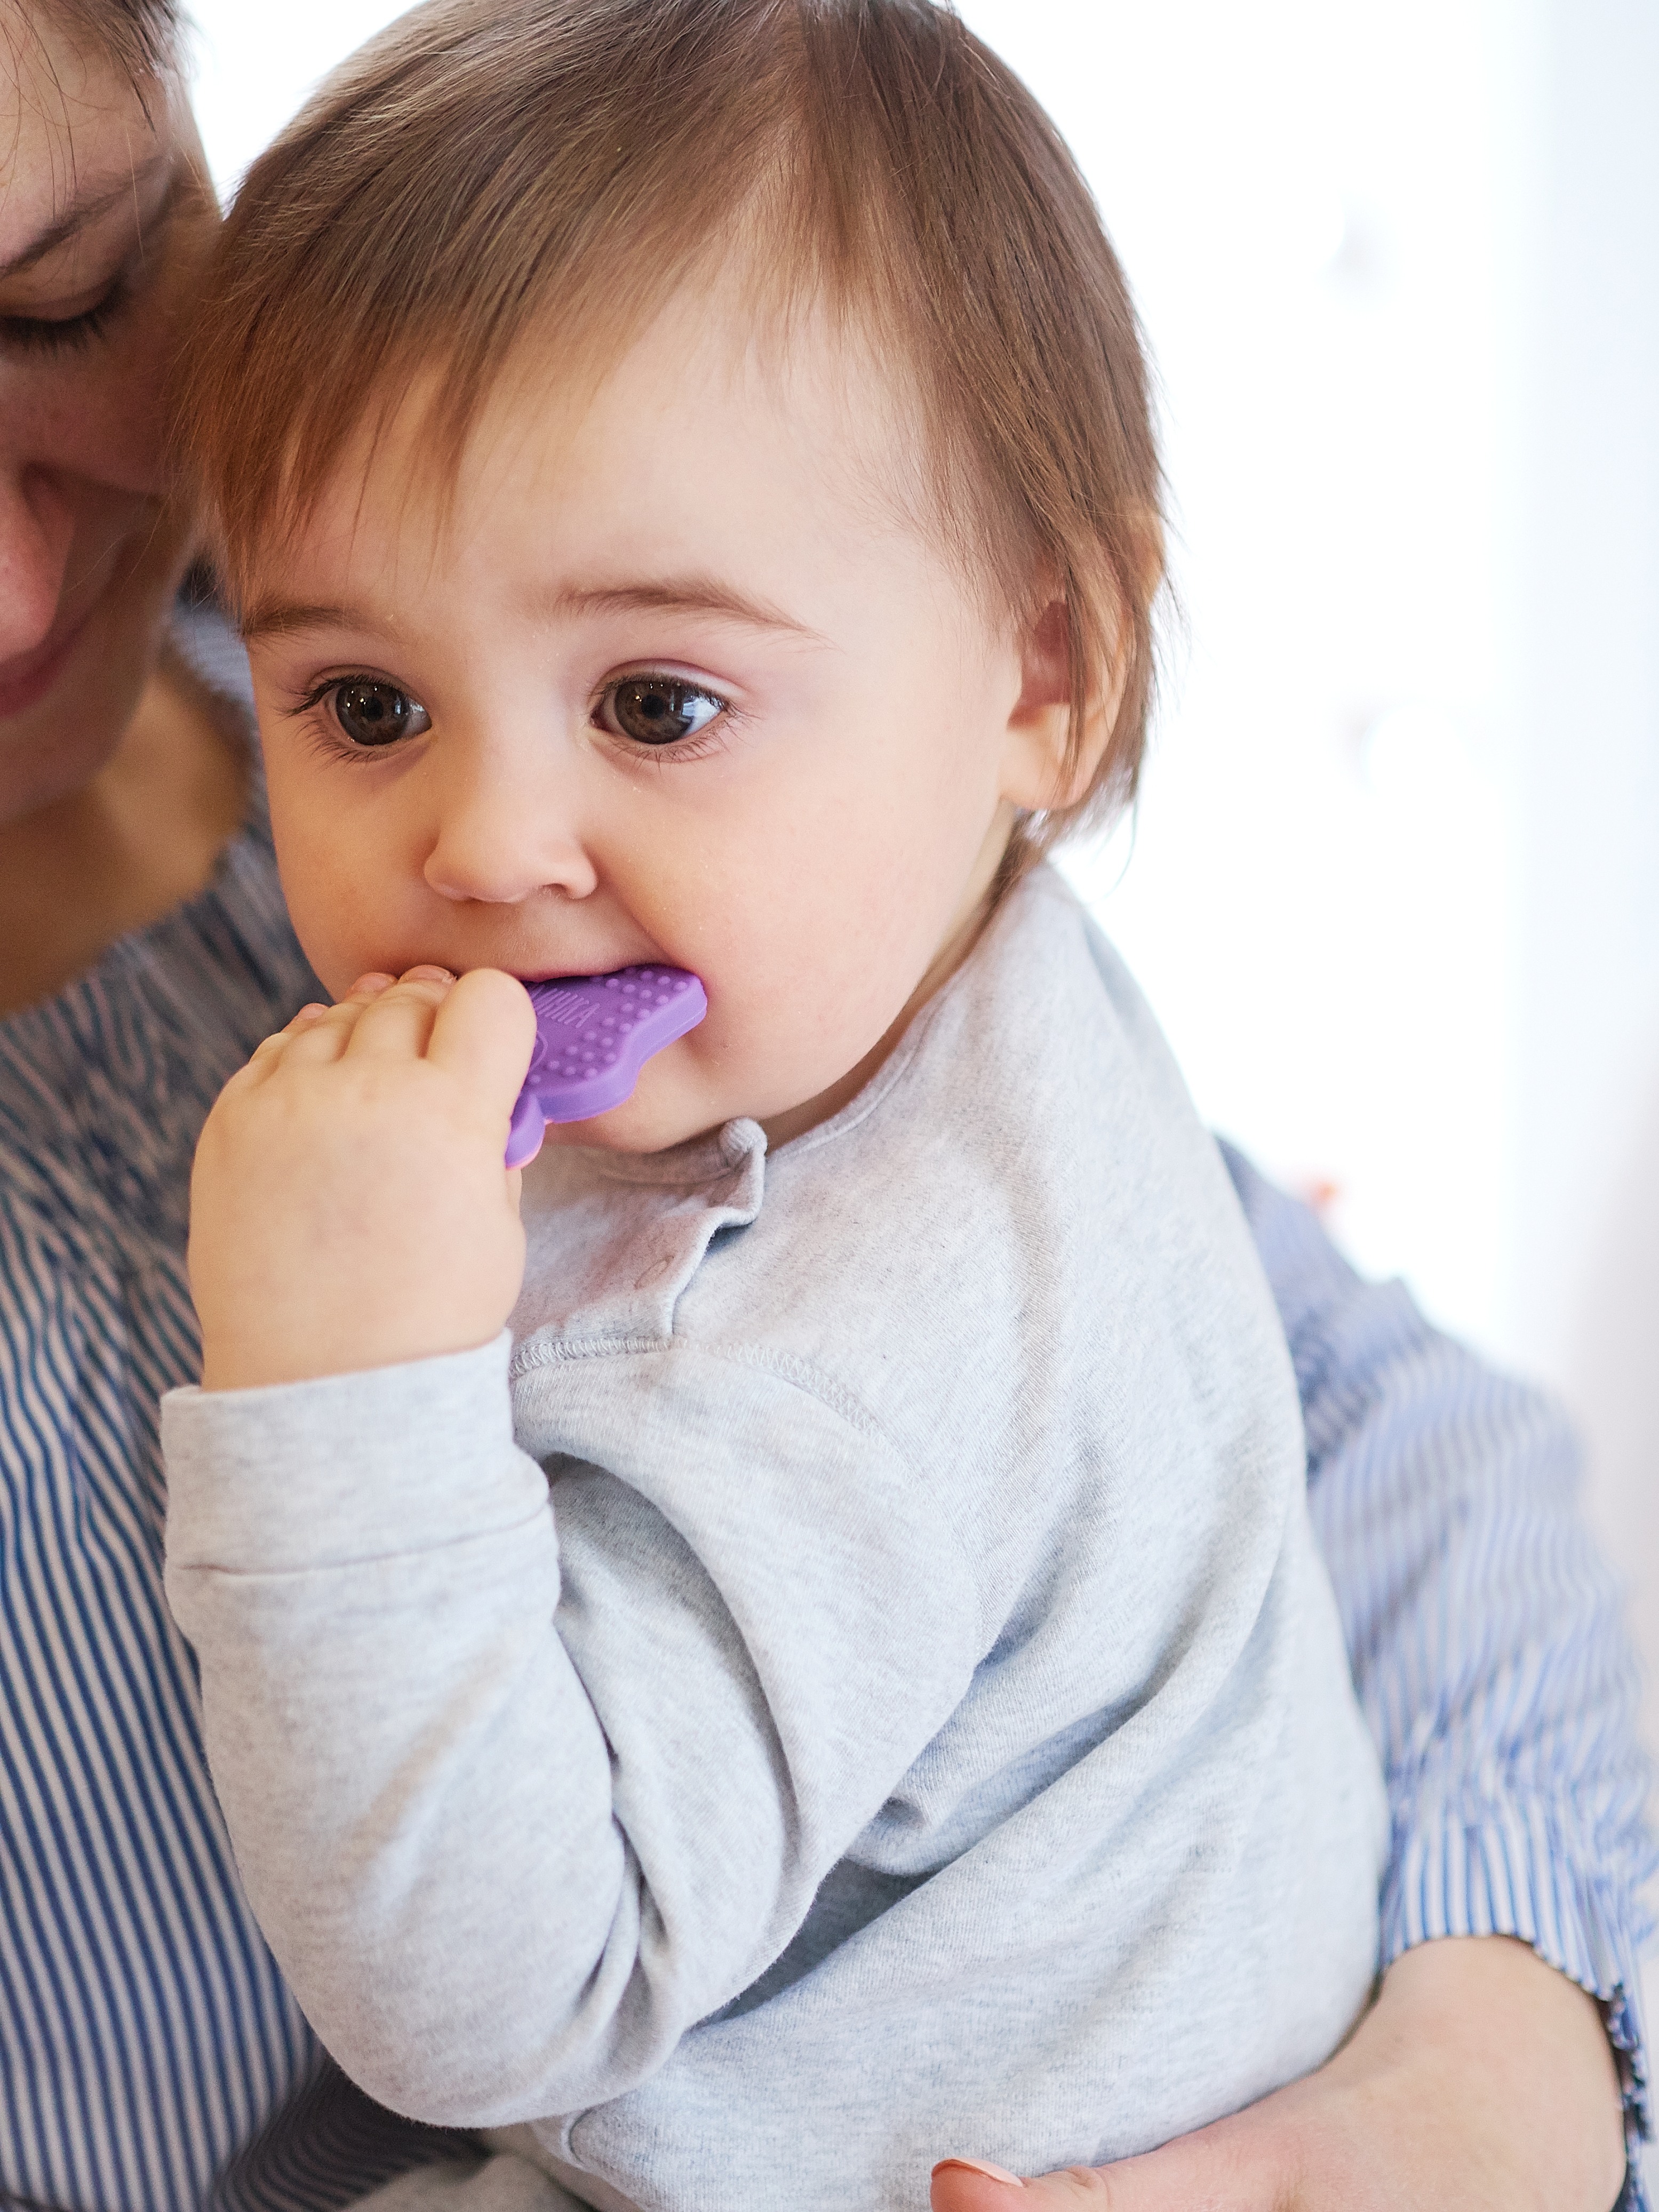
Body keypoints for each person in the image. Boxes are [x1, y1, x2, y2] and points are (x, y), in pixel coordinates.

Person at [0, 2, 1644, 2209]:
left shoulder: (845, 1280)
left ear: (1036, 676)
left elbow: (1401, 1439)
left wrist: (1502, 2066)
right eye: (370, 703)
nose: (488, 840)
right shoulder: (909, 915)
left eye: (64, 293)